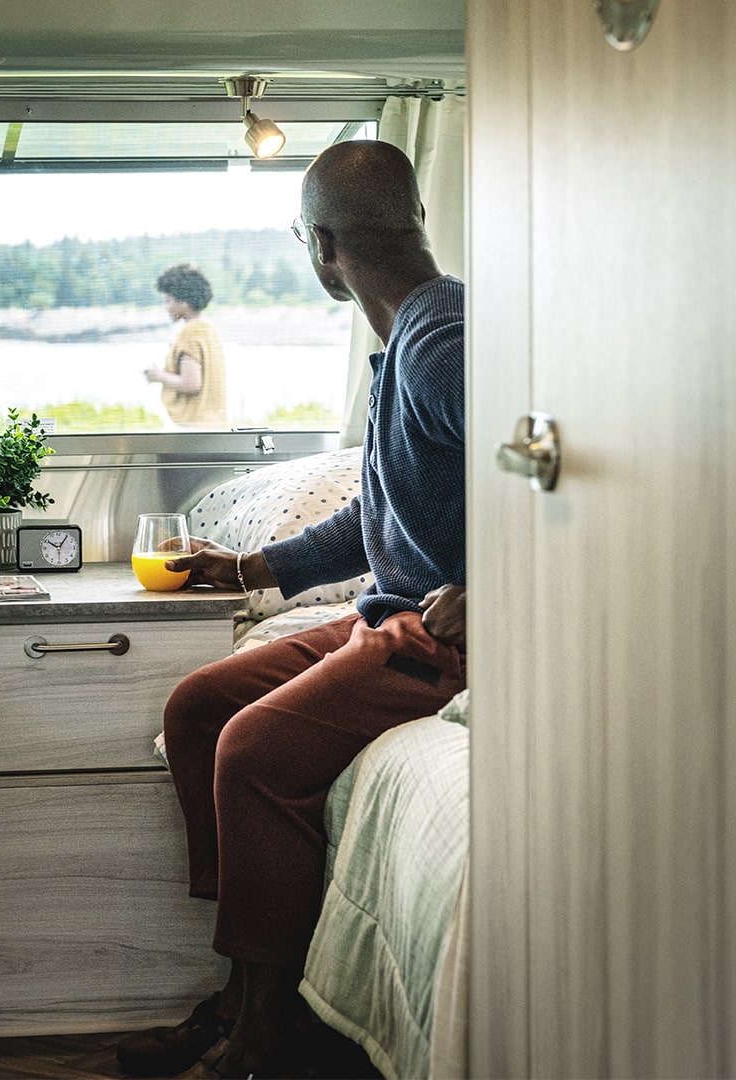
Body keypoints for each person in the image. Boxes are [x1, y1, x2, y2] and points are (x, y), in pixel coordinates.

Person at [116, 140, 467, 1079]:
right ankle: (241, 991)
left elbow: (570, 475)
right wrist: (250, 567)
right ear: (414, 221)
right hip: (382, 612)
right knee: (197, 710)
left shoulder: (445, 346)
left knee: (253, 748)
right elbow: (378, 514)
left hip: (438, 640)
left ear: (323, 249)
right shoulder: (406, 346)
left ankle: (266, 1034)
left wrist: (501, 587)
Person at [144, 263, 229, 429]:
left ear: (183, 302)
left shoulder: (190, 333)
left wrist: (158, 375)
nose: (166, 307)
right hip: (216, 425)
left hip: (193, 428)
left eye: (168, 301)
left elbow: (191, 384)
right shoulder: (209, 330)